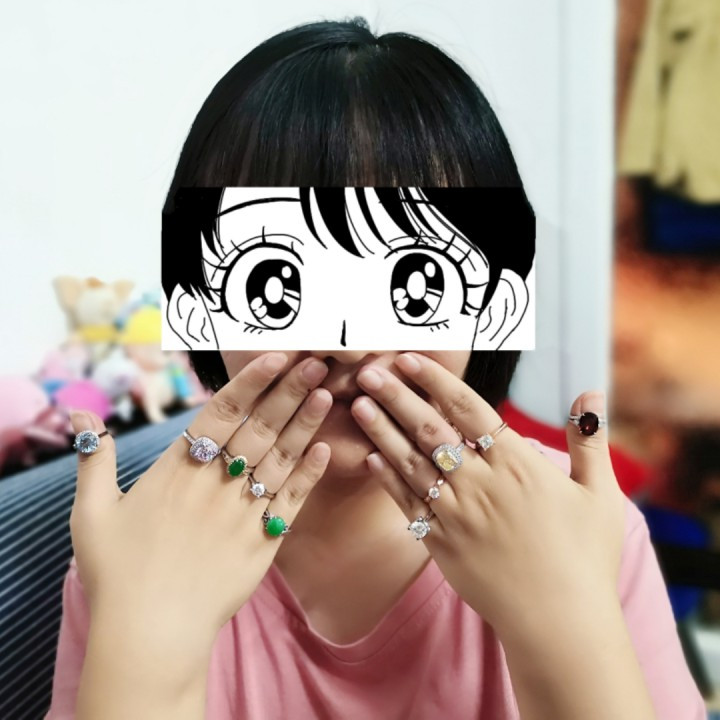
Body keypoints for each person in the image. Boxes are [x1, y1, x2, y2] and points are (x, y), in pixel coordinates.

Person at [45, 17, 705, 720]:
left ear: (498, 300)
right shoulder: (141, 548)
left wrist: (563, 620)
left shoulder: (583, 530)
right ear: (197, 300)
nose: (352, 344)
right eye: (278, 285)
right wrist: (146, 635)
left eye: (415, 285)